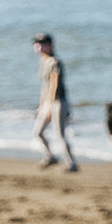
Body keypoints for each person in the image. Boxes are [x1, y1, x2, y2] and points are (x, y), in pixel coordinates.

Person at [32, 33, 78, 171]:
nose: (39, 47)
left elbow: (54, 84)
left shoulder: (54, 62)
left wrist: (50, 106)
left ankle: (71, 163)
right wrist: (41, 105)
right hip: (47, 103)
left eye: (42, 44)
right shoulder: (43, 61)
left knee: (59, 134)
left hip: (58, 102)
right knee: (38, 132)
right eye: (37, 44)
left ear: (50, 45)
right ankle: (50, 157)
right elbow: (44, 87)